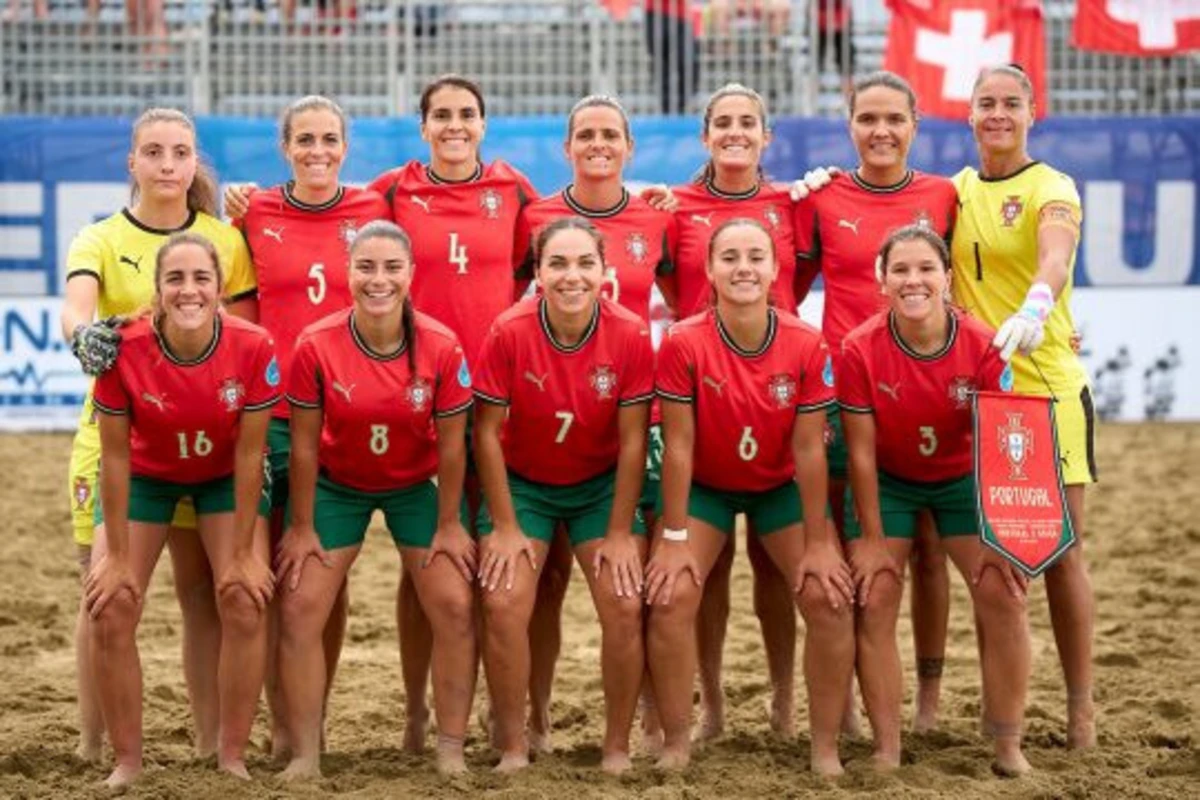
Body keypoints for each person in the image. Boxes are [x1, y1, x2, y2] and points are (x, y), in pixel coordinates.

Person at [61, 107, 255, 764]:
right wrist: (80, 337)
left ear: (195, 160)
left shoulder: (224, 241)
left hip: (206, 443)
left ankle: (209, 743)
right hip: (117, 438)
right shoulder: (99, 237)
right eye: (154, 152)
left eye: (180, 152)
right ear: (132, 162)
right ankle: (93, 744)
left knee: (202, 589)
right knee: (102, 591)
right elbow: (76, 313)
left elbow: (246, 339)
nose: (168, 164)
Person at [649, 218, 854, 773]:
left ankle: (824, 748)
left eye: (756, 256)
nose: (744, 267)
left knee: (828, 597)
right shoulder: (683, 340)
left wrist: (818, 541)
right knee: (669, 596)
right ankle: (676, 742)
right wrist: (670, 538)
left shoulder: (806, 342)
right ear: (710, 271)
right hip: (706, 491)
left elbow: (811, 450)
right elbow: (679, 447)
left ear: (775, 269)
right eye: (731, 257)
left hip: (778, 487)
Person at [276, 221, 476, 778]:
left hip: (417, 484)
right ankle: (306, 754)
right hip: (340, 484)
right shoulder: (316, 344)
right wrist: (301, 525)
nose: (378, 279)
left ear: (412, 275)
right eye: (366, 267)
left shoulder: (441, 345)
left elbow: (455, 447)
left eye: (392, 268)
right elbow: (304, 446)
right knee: (298, 606)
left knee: (456, 605)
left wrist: (449, 525)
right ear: (348, 272)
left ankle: (450, 747)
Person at [792, 70, 959, 731]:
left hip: (924, 392)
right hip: (845, 396)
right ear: (850, 126)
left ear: (915, 125)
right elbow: (784, 285)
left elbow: (961, 283)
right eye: (868, 119)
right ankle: (857, 704)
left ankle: (927, 700)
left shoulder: (945, 195)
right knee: (854, 546)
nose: (882, 131)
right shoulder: (823, 196)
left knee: (926, 548)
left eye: (895, 119)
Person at [513, 94, 676, 750]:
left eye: (611, 134)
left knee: (626, 584)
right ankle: (538, 715)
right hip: (542, 418)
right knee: (542, 582)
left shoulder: (658, 218)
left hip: (622, 419)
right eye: (586, 134)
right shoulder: (535, 217)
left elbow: (693, 308)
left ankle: (643, 715)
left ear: (630, 148)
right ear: (567, 147)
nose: (598, 144)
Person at [85, 233, 277, 787]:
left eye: (201, 279)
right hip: (147, 476)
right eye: (176, 279)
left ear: (220, 288)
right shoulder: (125, 349)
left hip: (222, 475)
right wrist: (118, 557)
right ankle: (127, 762)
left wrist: (242, 553)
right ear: (158, 289)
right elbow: (116, 459)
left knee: (243, 598)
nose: (188, 290)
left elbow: (249, 454)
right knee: (112, 603)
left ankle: (232, 756)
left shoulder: (253, 344)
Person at [839, 224, 1031, 773]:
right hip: (891, 481)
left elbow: (1004, 443)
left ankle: (1007, 743)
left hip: (962, 480)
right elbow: (860, 455)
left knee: (1005, 591)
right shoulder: (859, 349)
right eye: (900, 270)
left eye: (926, 269)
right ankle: (887, 748)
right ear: (882, 282)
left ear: (948, 279)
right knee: (874, 595)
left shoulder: (984, 344)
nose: (913, 280)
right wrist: (873, 539)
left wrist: (1001, 535)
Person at [232, 94, 389, 759]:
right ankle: (280, 725)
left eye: (329, 139)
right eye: (305, 140)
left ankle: (309, 718)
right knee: (270, 575)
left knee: (323, 576)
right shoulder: (255, 211)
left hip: (348, 416)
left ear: (346, 147)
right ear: (285, 147)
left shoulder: (375, 211)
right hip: (274, 418)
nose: (317, 150)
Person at [473, 217, 654, 773]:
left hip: (599, 486)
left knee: (624, 603)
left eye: (584, 263)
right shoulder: (509, 331)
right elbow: (484, 433)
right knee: (503, 601)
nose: (571, 276)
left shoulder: (629, 333)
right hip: (525, 485)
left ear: (604, 271)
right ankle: (513, 744)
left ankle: (617, 746)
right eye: (557, 263)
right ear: (537, 274)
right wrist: (504, 526)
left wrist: (622, 532)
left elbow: (632, 442)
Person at [950, 63, 1097, 748]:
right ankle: (998, 711)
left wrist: (1039, 306)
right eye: (987, 103)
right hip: (983, 400)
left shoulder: (1052, 186)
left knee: (1063, 551)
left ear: (1032, 112)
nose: (999, 114)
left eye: (1011, 102)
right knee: (997, 561)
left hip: (1049, 389)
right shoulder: (954, 192)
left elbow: (1056, 256)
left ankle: (1080, 712)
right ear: (969, 114)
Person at [668, 82, 803, 740]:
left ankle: (784, 701)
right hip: (706, 397)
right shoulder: (677, 207)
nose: (735, 131)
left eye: (747, 121)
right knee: (710, 568)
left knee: (779, 569)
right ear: (704, 135)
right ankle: (713, 705)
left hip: (780, 399)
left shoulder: (794, 203)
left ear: (766, 134)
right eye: (722, 121)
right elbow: (671, 290)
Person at [644, 1, 700, 114]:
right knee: (661, 66)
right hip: (655, 13)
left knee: (688, 63)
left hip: (682, 16)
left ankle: (681, 106)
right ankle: (667, 109)